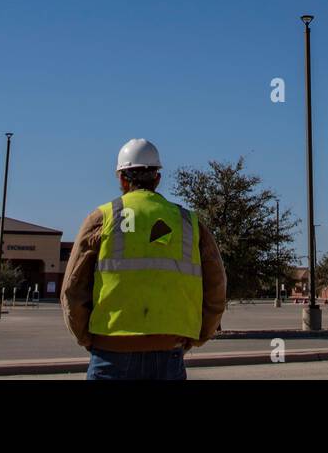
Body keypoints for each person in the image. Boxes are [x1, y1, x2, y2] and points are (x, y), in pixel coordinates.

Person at [61, 138, 227, 380]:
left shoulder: (102, 218)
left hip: (110, 352)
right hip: (169, 353)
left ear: (121, 178)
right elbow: (216, 287)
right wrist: (198, 335)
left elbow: (72, 288)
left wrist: (87, 337)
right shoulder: (189, 223)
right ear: (157, 178)